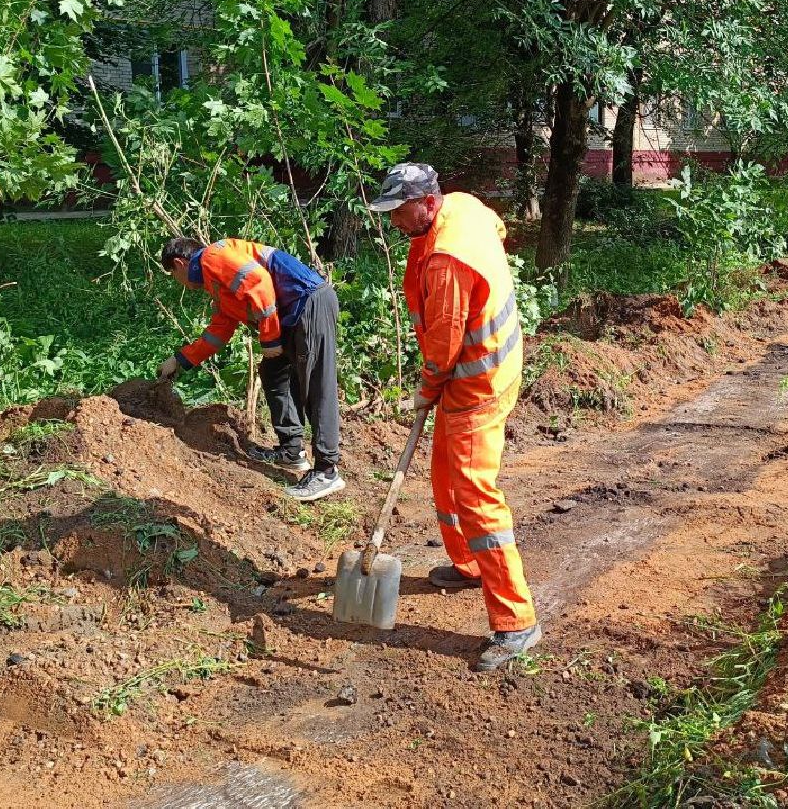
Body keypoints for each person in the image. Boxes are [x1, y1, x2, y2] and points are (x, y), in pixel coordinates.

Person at [368, 162, 541, 672]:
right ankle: (468, 565)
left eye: (399, 210)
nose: (395, 221)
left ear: (426, 202)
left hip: (475, 382)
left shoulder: (446, 262)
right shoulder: (463, 206)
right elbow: (498, 228)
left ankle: (516, 621)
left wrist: (426, 390)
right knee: (443, 473)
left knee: (473, 493)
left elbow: (442, 347)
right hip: (483, 366)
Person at [158, 236, 345, 502]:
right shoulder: (217, 279)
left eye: (173, 274)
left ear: (179, 263)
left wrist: (269, 339)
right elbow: (219, 331)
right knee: (274, 373)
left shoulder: (213, 257)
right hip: (290, 314)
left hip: (308, 303)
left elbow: (259, 283)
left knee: (317, 388)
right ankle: (292, 452)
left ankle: (327, 471)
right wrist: (180, 360)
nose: (179, 282)